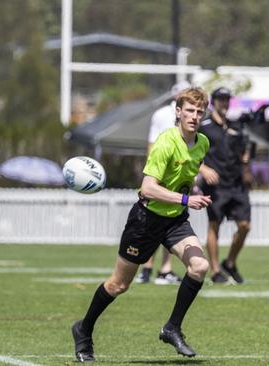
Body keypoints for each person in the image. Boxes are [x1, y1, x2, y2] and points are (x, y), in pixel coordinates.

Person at [71, 88, 212, 362]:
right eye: (189, 110)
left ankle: (172, 328)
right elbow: (148, 188)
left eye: (199, 111)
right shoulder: (165, 143)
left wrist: (192, 189)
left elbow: (186, 172)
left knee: (200, 266)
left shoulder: (203, 143)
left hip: (175, 220)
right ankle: (83, 329)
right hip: (145, 221)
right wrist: (186, 198)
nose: (194, 116)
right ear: (178, 112)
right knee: (118, 285)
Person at [135, 81, 190, 285]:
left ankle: (165, 269)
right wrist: (153, 173)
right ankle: (147, 267)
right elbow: (152, 143)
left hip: (178, 176)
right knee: (154, 220)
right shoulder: (161, 115)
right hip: (160, 173)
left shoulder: (192, 117)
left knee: (172, 221)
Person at [198, 87, 251, 284]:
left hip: (236, 184)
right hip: (216, 186)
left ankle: (230, 262)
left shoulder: (235, 126)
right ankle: (215, 270)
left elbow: (242, 153)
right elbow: (190, 150)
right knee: (214, 226)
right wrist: (202, 169)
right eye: (221, 99)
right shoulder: (204, 126)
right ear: (213, 102)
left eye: (227, 99)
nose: (224, 102)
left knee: (245, 226)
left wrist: (246, 164)